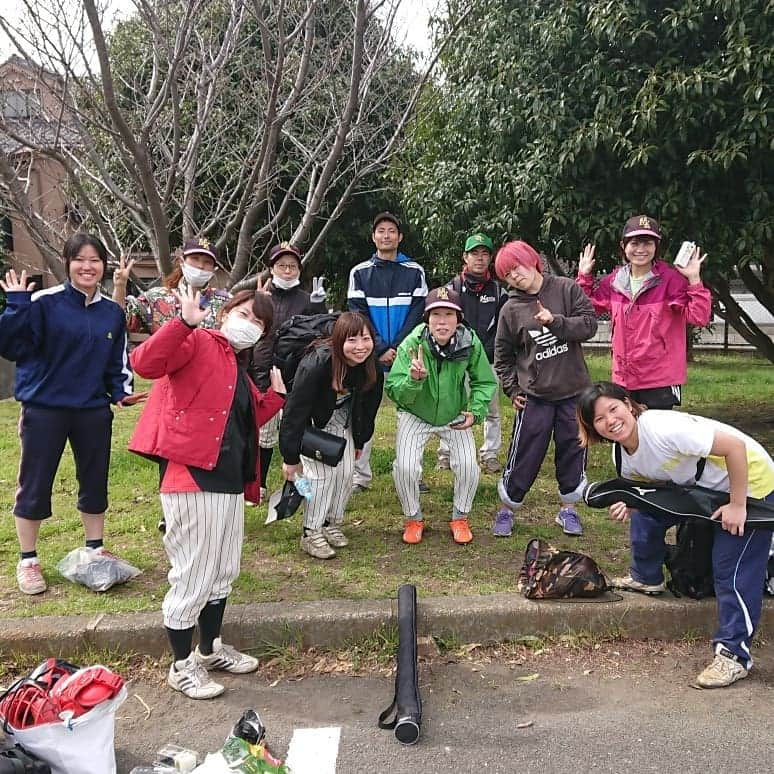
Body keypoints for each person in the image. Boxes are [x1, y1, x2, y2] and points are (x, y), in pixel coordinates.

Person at [128, 287, 285, 699]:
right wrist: (182, 322)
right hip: (192, 474)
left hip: (229, 480)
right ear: (226, 311)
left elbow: (245, 421)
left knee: (222, 571)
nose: (249, 325)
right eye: (245, 314)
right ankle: (181, 666)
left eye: (259, 323)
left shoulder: (237, 364)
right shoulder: (196, 341)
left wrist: (278, 396)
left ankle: (210, 648)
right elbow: (144, 363)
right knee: (193, 573)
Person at [577, 381, 774, 689]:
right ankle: (647, 577)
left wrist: (737, 505)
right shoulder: (623, 455)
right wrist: (632, 505)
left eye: (613, 409)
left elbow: (735, 448)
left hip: (752, 486)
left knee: (730, 569)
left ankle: (734, 655)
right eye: (599, 419)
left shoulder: (663, 428)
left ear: (628, 405)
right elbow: (654, 490)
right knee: (642, 508)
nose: (610, 421)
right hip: (704, 491)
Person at [0, 233, 135, 596]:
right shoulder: (44, 303)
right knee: (35, 482)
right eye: (80, 259)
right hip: (45, 408)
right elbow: (10, 346)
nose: (87, 267)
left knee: (95, 479)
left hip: (92, 409)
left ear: (103, 266)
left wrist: (121, 392)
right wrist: (16, 305)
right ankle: (28, 559)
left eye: (95, 260)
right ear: (67, 261)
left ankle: (95, 549)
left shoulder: (111, 312)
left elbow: (116, 361)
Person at [493, 241, 597, 538]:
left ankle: (569, 509)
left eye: (516, 268)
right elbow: (502, 357)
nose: (514, 276)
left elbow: (589, 325)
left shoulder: (565, 289)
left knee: (573, 449)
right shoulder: (510, 310)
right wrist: (513, 390)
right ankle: (507, 508)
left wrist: (556, 322)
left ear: (532, 260)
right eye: (507, 274)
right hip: (535, 397)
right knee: (525, 452)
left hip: (574, 393)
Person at [385, 287, 497, 545]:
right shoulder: (413, 343)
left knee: (469, 466)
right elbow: (394, 390)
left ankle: (460, 517)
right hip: (416, 413)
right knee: (405, 467)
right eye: (436, 315)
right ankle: (413, 518)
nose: (442, 321)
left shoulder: (469, 341)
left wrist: (476, 411)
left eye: (449, 314)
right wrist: (413, 381)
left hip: (453, 413)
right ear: (427, 319)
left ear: (458, 319)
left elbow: (484, 381)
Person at [576, 215, 711, 409]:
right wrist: (584, 276)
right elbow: (585, 308)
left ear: (656, 246)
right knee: (625, 433)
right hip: (623, 379)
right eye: (634, 243)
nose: (640, 249)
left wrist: (694, 279)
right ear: (623, 246)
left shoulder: (670, 280)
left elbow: (698, 317)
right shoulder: (614, 282)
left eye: (647, 243)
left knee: (657, 436)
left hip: (660, 380)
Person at [278, 312, 383, 559]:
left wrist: (361, 439)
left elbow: (370, 406)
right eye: (352, 340)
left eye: (365, 339)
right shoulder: (316, 364)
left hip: (342, 421)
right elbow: (295, 411)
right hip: (311, 424)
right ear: (338, 341)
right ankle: (310, 532)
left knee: (346, 475)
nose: (360, 347)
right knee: (320, 479)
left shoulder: (371, 364)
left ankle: (330, 523)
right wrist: (290, 457)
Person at [347, 212, 427, 492]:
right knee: (364, 412)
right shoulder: (359, 273)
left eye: (391, 231)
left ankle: (412, 473)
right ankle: (359, 476)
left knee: (412, 414)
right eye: (380, 230)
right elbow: (358, 313)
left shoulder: (414, 271)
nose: (386, 235)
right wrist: (379, 348)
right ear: (373, 236)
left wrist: (400, 349)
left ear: (400, 237)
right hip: (369, 354)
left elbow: (418, 313)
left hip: (406, 356)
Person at [250, 242, 327, 498]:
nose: (287, 270)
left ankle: (300, 484)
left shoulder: (306, 299)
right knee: (264, 433)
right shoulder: (260, 297)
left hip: (295, 375)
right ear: (271, 268)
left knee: (295, 428)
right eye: (282, 265)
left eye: (292, 266)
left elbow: (319, 333)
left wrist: (319, 307)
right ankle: (258, 484)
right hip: (262, 373)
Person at [438, 232, 507, 475]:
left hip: (488, 361)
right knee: (451, 405)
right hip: (456, 360)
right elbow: (442, 324)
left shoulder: (499, 292)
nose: (479, 258)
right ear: (465, 257)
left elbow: (503, 328)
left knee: (491, 410)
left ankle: (489, 454)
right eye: (474, 253)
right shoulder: (452, 289)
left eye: (485, 253)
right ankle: (446, 453)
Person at [112, 237, 230, 334]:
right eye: (195, 259)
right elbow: (119, 321)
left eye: (207, 262)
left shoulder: (225, 302)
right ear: (182, 261)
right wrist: (120, 286)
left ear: (214, 269)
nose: (200, 265)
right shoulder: (156, 297)